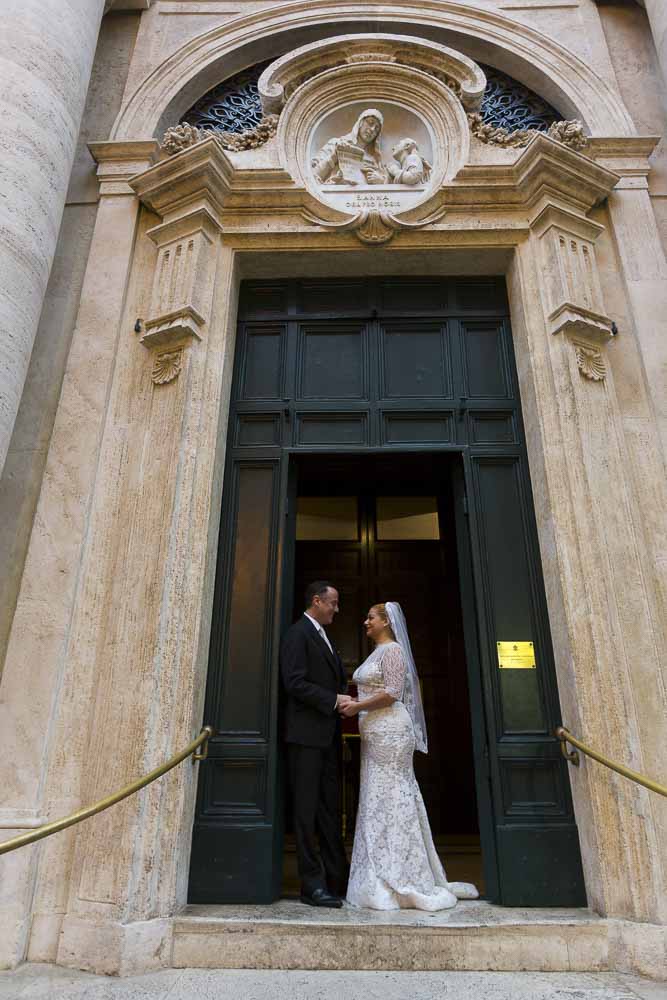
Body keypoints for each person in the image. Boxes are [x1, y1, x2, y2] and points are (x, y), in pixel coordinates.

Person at [340, 602, 479, 910]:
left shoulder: (393, 651)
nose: (365, 622)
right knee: (376, 799)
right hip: (375, 735)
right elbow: (371, 689)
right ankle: (378, 873)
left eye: (370, 618)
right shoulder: (376, 652)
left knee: (393, 797)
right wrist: (351, 700)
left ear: (386, 622)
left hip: (391, 733)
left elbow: (391, 693)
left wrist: (357, 707)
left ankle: (402, 873)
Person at [280, 581, 351, 907]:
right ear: (316, 600)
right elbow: (293, 682)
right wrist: (333, 700)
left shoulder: (322, 635)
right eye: (333, 603)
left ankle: (338, 879)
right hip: (306, 738)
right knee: (307, 813)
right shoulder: (298, 634)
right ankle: (311, 885)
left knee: (328, 810)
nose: (336, 609)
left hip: (326, 739)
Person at [311, 108, 388, 186]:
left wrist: (381, 181)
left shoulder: (375, 160)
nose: (372, 129)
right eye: (370, 123)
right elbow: (314, 176)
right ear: (361, 122)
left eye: (377, 129)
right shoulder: (335, 144)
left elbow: (387, 189)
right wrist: (335, 156)